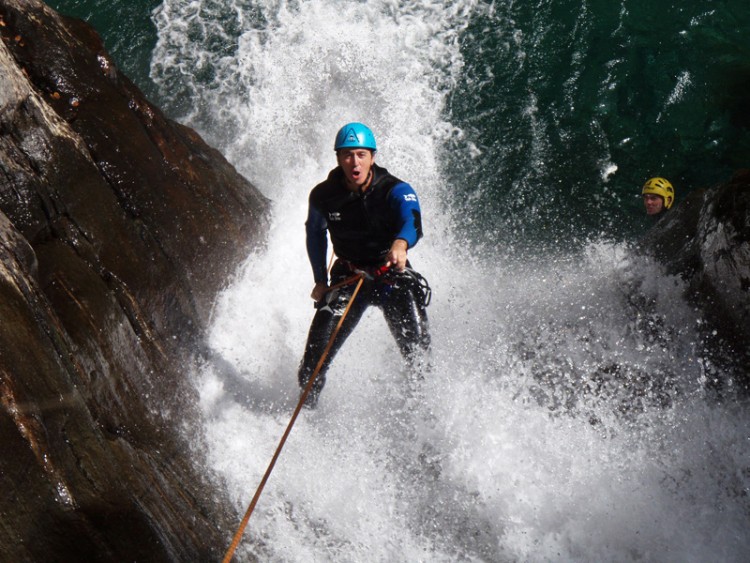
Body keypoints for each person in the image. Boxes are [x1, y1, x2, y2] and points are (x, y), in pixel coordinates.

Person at [297, 122, 431, 408]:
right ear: (337, 158)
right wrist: (320, 281)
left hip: (391, 278)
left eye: (360, 154)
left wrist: (400, 244)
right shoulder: (323, 195)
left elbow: (413, 221)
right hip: (349, 278)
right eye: (347, 155)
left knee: (420, 362)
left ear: (372, 156)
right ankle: (306, 420)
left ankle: (427, 429)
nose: (354, 162)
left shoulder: (395, 190)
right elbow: (314, 234)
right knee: (311, 366)